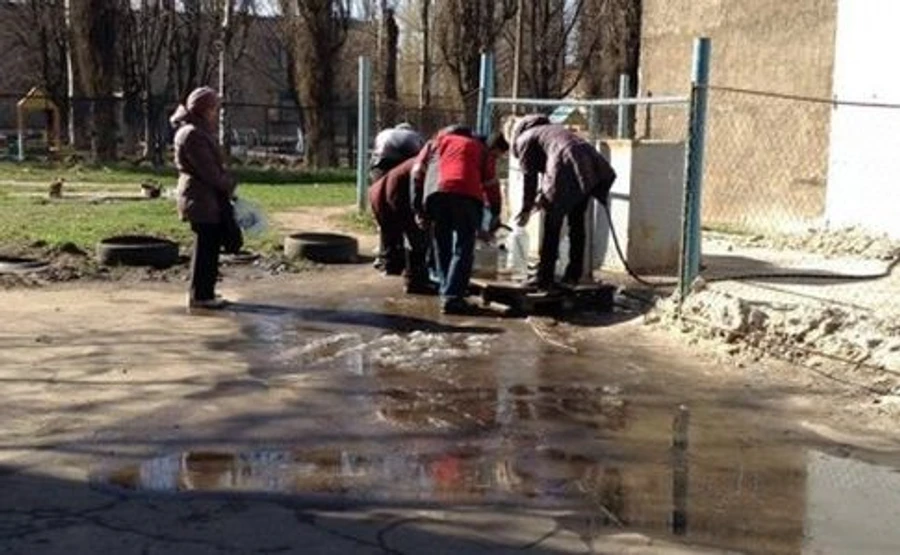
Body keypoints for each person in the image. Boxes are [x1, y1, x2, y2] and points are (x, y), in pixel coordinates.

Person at [511, 115, 617, 290]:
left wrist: (526, 208)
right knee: (577, 222)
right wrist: (541, 196)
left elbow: (530, 178)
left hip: (566, 162)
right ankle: (573, 275)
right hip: (587, 164)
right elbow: (550, 172)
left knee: (552, 222)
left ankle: (544, 276)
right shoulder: (551, 130)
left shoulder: (524, 139)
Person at [411, 126, 506, 315]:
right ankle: (453, 297)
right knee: (464, 246)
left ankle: (447, 292)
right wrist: (496, 212)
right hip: (466, 194)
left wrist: (418, 208)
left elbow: (417, 173)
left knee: (442, 243)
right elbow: (491, 184)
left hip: (435, 195)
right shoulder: (479, 147)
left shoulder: (435, 142)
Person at [170, 86, 237, 311]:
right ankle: (201, 295)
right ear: (204, 109)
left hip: (203, 197)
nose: (215, 113)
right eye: (213, 108)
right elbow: (209, 171)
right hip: (200, 197)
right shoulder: (193, 134)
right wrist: (228, 183)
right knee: (206, 246)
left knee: (210, 244)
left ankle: (204, 290)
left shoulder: (196, 130)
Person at [368, 157, 434, 294]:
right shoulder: (424, 165)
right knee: (417, 236)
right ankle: (414, 281)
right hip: (391, 194)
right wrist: (420, 214)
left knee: (410, 236)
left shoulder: (419, 162)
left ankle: (400, 271)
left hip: (383, 193)